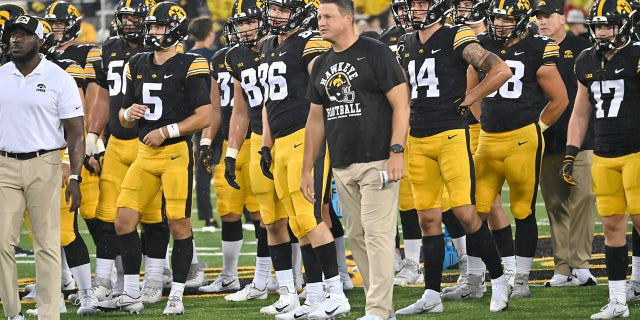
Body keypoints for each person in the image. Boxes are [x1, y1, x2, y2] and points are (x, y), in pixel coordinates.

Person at [393, 0, 511, 314]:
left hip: (450, 137)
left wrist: (469, 98)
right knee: (427, 219)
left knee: (466, 213)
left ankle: (498, 278)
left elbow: (500, 70)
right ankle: (431, 295)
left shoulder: (456, 36)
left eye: (420, 4)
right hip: (418, 139)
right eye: (411, 4)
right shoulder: (405, 42)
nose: (413, 10)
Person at [95, 2, 211, 315]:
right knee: (123, 221)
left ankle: (175, 295)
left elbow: (205, 115)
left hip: (175, 153)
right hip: (144, 154)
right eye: (153, 26)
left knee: (179, 225)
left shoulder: (192, 63)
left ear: (176, 30)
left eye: (161, 26)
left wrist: (167, 131)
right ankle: (131, 293)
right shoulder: (138, 61)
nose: (155, 32)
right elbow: (124, 112)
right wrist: (126, 114)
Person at [304, 1, 409, 318]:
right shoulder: (322, 63)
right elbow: (315, 120)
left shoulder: (375, 52)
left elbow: (401, 104)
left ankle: (377, 309)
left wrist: (396, 151)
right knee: (358, 237)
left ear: (348, 19)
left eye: (328, 17)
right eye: (319, 17)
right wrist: (308, 167)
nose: (321, 22)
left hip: (377, 159)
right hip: (341, 163)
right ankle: (383, 309)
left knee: (377, 236)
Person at [468, 0, 568, 299]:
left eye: (507, 19)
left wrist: (537, 128)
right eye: (496, 19)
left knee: (523, 210)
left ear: (523, 20)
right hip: (487, 139)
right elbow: (471, 92)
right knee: (477, 211)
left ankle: (521, 279)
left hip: (523, 140)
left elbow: (559, 99)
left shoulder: (539, 47)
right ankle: (474, 280)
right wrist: (482, 119)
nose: (500, 25)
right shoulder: (481, 45)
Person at [260, 0, 352, 317]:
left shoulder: (308, 43)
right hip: (281, 143)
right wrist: (266, 145)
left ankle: (337, 294)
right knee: (299, 224)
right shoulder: (267, 46)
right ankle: (313, 297)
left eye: (283, 10)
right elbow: (269, 102)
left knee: (310, 218)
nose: (275, 15)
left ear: (299, 13)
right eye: (273, 8)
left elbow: (325, 84)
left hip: (304, 138)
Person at [89, 0, 174, 304]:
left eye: (136, 17)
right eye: (125, 17)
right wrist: (92, 135)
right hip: (114, 142)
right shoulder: (109, 48)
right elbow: (101, 96)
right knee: (108, 215)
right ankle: (104, 279)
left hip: (146, 144)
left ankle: (153, 278)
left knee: (152, 216)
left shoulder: (158, 55)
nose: (129, 22)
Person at [0, 14, 84, 320]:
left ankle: (49, 315)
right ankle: (12, 313)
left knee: (47, 244)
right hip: (4, 164)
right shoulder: (1, 75)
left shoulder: (59, 78)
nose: (15, 39)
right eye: (12, 35)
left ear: (39, 40)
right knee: (2, 244)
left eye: (23, 35)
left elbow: (75, 130)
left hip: (45, 163)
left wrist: (74, 174)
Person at [566, 0, 640, 318]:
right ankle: (618, 301)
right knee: (611, 227)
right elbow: (581, 109)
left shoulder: (637, 55)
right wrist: (571, 151)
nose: (601, 31)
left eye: (608, 24)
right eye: (597, 25)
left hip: (637, 151)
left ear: (624, 25)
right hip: (604, 153)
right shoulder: (586, 59)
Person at [198, 1, 270, 300]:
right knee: (228, 211)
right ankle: (229, 277)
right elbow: (216, 107)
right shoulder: (222, 58)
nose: (243, 29)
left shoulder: (271, 54)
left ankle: (267, 277)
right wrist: (206, 140)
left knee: (263, 214)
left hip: (261, 138)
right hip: (231, 140)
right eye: (238, 23)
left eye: (248, 22)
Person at [533, 0, 597, 287]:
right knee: (555, 202)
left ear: (562, 17)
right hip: (546, 138)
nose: (542, 21)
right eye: (538, 17)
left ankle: (581, 264)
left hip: (582, 137)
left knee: (583, 196)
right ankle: (562, 267)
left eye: (548, 16)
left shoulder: (583, 47)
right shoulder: (532, 48)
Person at [187, 15, 221, 233]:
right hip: (219, 116)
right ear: (210, 33)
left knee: (202, 169)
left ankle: (207, 217)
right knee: (231, 163)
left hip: (194, 119)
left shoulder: (184, 57)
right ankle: (247, 213)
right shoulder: (217, 56)